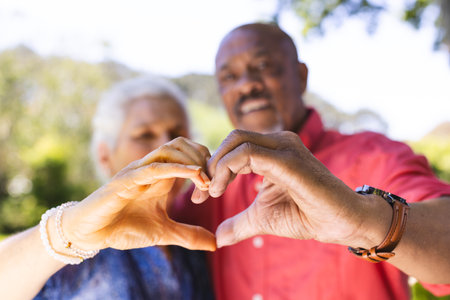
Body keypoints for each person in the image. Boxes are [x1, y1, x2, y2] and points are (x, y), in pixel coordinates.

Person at [172, 23, 450, 300]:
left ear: (301, 76)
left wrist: (361, 219)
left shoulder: (375, 155)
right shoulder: (209, 191)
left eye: (263, 65)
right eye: (229, 77)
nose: (246, 84)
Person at [0, 76, 215, 300]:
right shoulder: (77, 249)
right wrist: (68, 234)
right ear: (105, 156)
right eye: (144, 135)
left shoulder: (195, 243)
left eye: (177, 134)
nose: (167, 146)